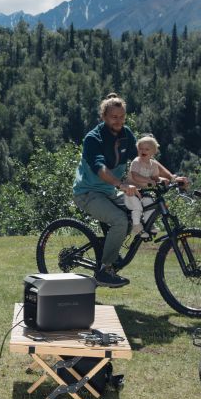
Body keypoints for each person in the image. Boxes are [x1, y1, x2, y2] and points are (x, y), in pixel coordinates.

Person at [72, 93, 138, 288]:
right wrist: (121, 184)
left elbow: (142, 159)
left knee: (131, 212)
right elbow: (100, 169)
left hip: (108, 191)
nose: (119, 121)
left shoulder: (126, 134)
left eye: (122, 117)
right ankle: (104, 270)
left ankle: (110, 248)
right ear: (104, 117)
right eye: (114, 117)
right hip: (88, 192)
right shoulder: (93, 138)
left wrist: (169, 177)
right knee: (119, 220)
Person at [122, 134, 188, 237]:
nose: (143, 151)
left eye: (147, 149)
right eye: (140, 149)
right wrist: (148, 180)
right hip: (131, 191)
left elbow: (155, 178)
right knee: (137, 207)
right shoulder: (136, 162)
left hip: (143, 192)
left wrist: (164, 180)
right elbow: (135, 176)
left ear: (154, 152)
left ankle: (149, 224)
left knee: (150, 204)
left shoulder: (153, 165)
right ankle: (136, 226)